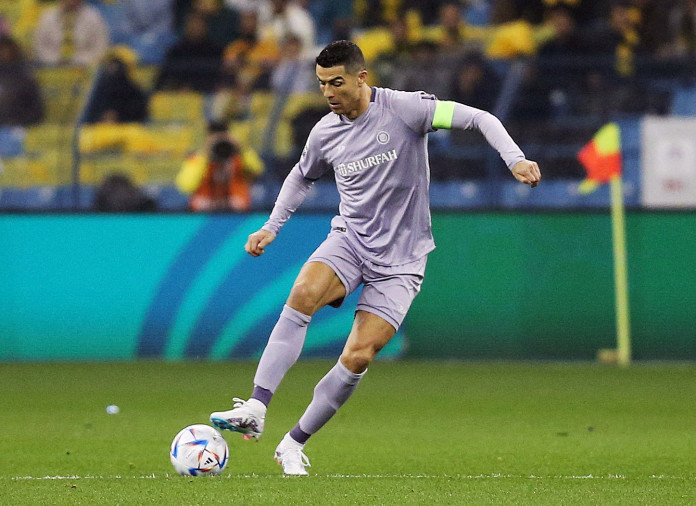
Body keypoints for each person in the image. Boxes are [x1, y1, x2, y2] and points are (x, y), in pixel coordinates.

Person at [209, 40, 541, 476]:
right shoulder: (325, 131)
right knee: (304, 292)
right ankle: (256, 405)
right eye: (322, 83)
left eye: (337, 82)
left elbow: (478, 117)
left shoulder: (407, 109)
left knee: (360, 355)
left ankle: (293, 443)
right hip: (350, 240)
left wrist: (514, 159)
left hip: (402, 259)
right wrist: (271, 226)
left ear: (361, 78)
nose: (328, 92)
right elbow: (300, 176)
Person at [175, 122, 264, 211]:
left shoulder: (240, 158)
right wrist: (205, 155)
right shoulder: (198, 159)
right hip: (202, 213)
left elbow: (257, 170)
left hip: (238, 214)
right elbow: (186, 186)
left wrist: (241, 148)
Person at [33, 0, 109, 67]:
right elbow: (39, 46)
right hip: (51, 69)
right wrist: (56, 60)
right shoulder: (47, 16)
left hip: (85, 69)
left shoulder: (94, 17)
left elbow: (100, 49)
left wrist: (76, 61)